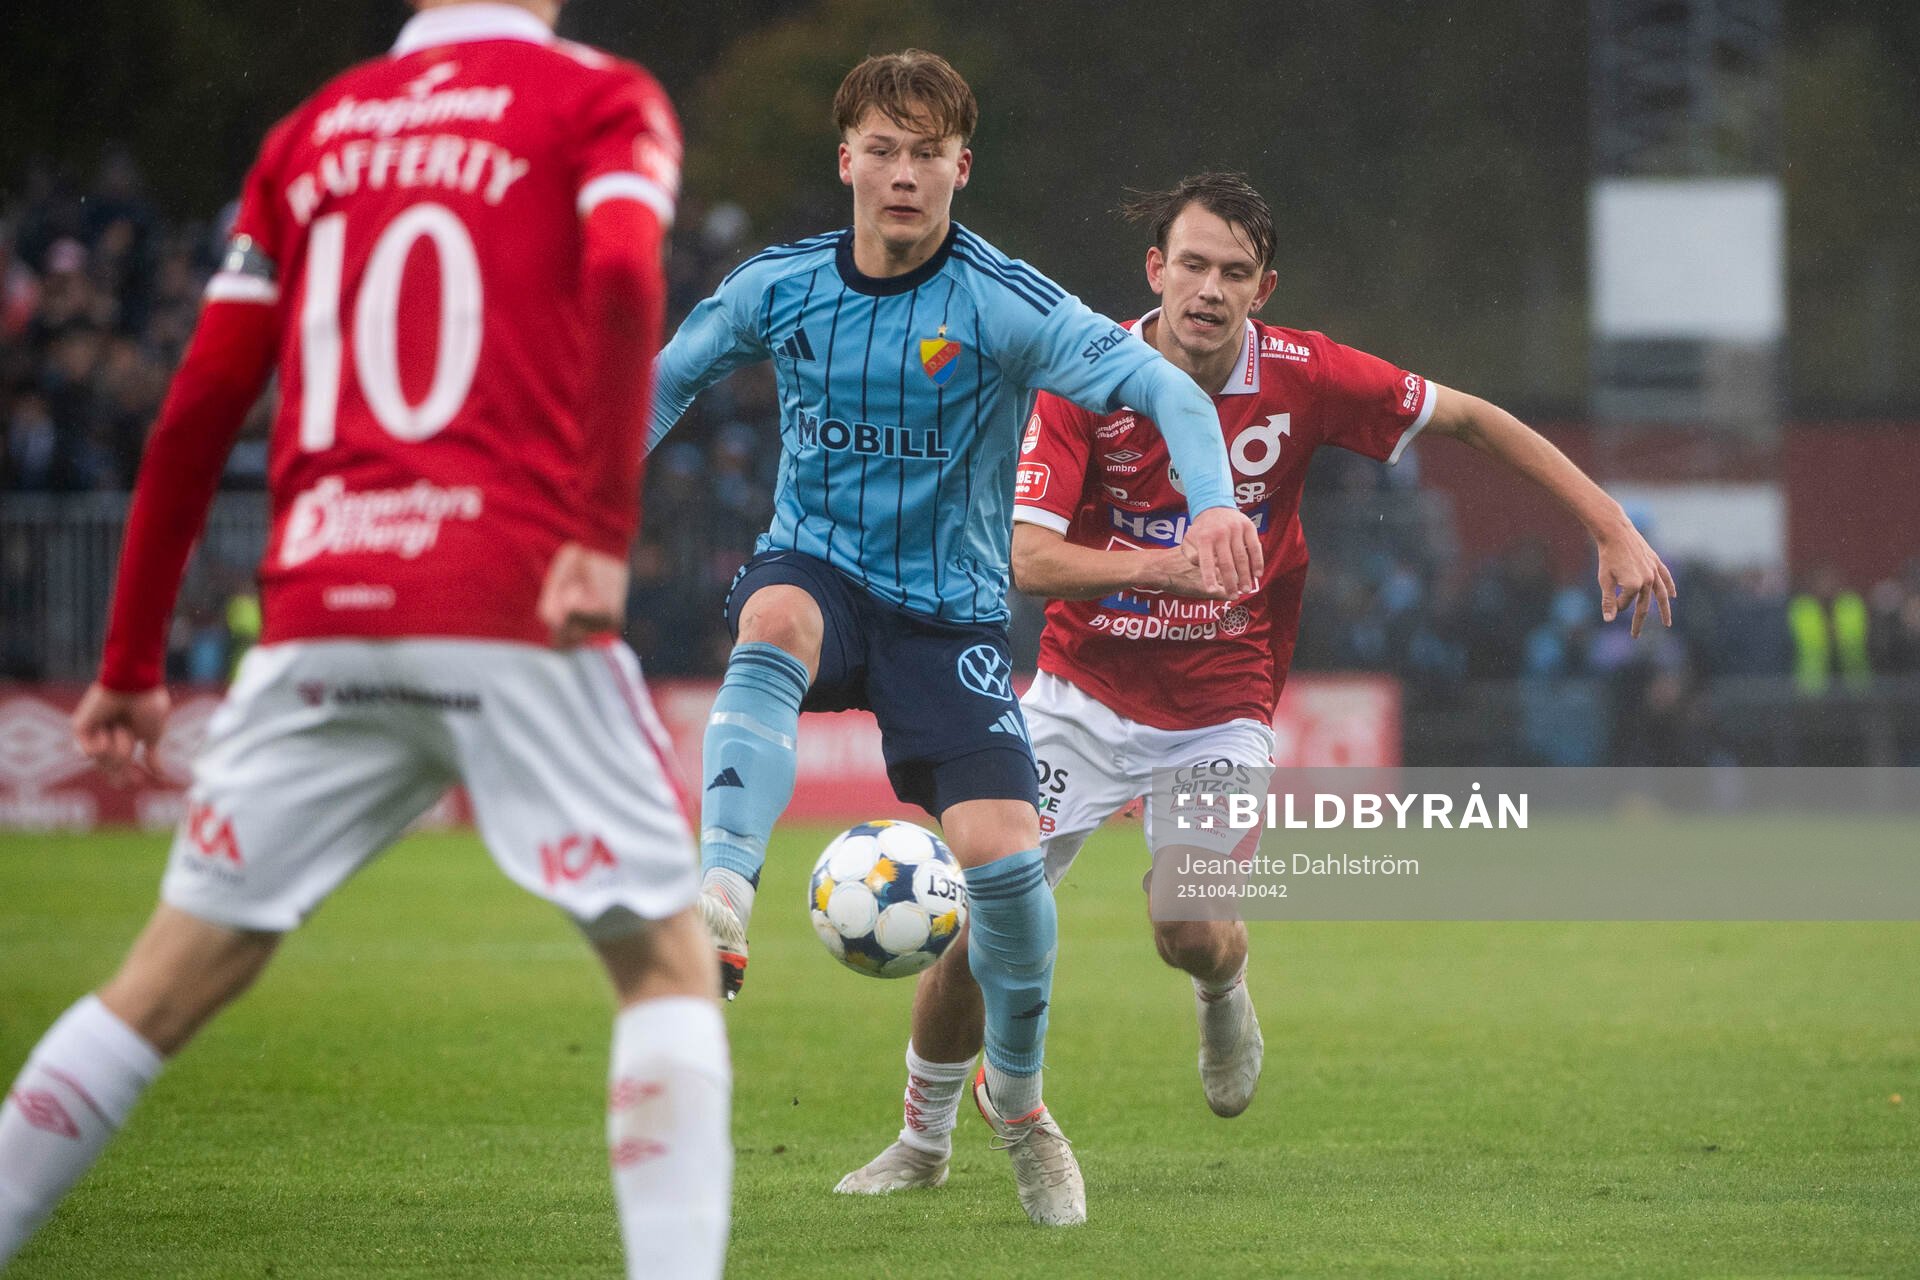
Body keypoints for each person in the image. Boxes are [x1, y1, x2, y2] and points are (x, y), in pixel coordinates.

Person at [0, 3, 732, 1275]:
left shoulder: (312, 133)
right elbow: (622, 273)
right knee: (667, 963)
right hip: (509, 597)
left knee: (159, 988)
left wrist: (129, 664)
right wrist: (602, 530)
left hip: (321, 612)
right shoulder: (600, 98)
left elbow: (198, 407)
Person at [835, 171, 1675, 1202]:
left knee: (1185, 926)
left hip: (1220, 702)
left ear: (1262, 286)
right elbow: (1028, 557)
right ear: (1155, 269)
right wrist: (1165, 565)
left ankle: (1223, 983)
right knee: (982, 930)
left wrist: (1611, 522)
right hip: (1077, 696)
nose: (1209, 289)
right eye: (1191, 263)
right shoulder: (1080, 376)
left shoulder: (1306, 374)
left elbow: (1469, 419)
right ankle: (922, 1143)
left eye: (1234, 272)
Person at [649, 52, 1261, 1226]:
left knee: (1008, 874)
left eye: (927, 153)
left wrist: (1215, 499)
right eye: (881, 149)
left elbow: (1173, 393)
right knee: (769, 619)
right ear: (846, 161)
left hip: (950, 616)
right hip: (818, 565)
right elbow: (664, 379)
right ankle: (720, 894)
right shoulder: (779, 286)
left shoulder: (1002, 302)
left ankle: (1019, 1106)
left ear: (960, 170)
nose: (902, 174)